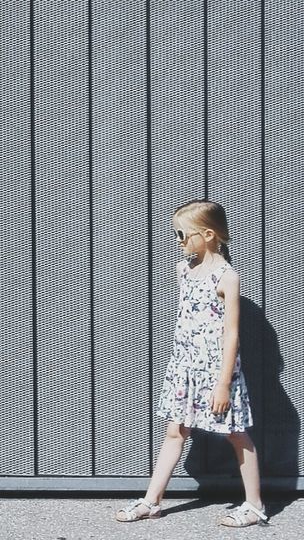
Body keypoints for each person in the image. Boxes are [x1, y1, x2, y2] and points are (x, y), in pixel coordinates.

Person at [114, 199, 267, 528]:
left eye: (183, 234)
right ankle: (151, 501)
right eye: (176, 234)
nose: (179, 240)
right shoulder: (184, 269)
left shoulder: (227, 277)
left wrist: (223, 383)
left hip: (216, 371)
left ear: (208, 234)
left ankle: (255, 505)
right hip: (185, 367)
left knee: (237, 434)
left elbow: (231, 335)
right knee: (175, 430)